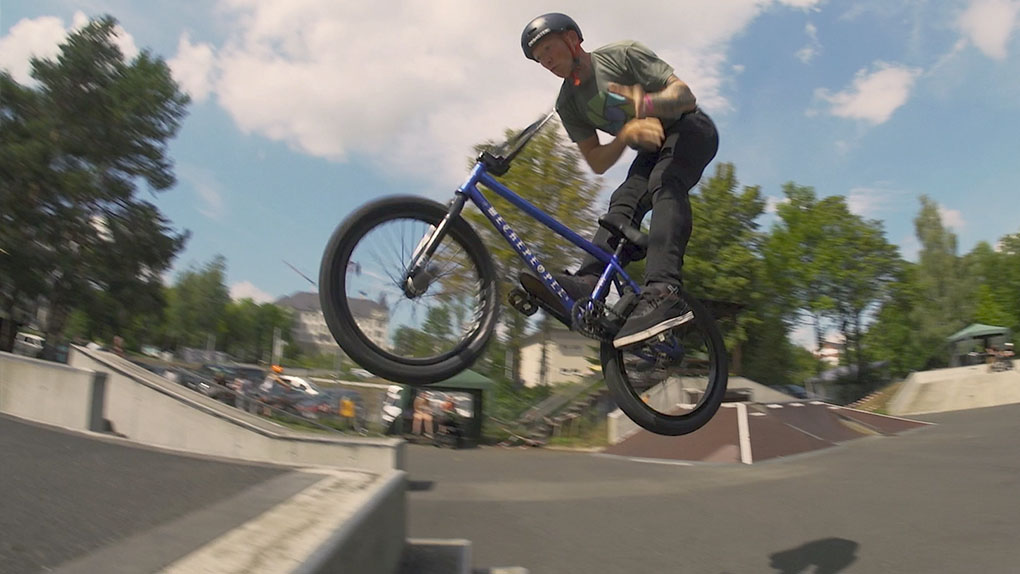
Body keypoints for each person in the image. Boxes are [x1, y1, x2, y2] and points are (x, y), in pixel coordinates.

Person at [519, 13, 719, 348]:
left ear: (572, 39)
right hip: (650, 149)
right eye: (540, 59)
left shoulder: (621, 55)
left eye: (549, 50)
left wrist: (643, 103)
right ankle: (589, 280)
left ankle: (662, 291)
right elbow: (597, 161)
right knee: (622, 203)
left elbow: (686, 97)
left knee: (664, 182)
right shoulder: (567, 103)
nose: (547, 62)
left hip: (691, 129)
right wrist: (625, 133)